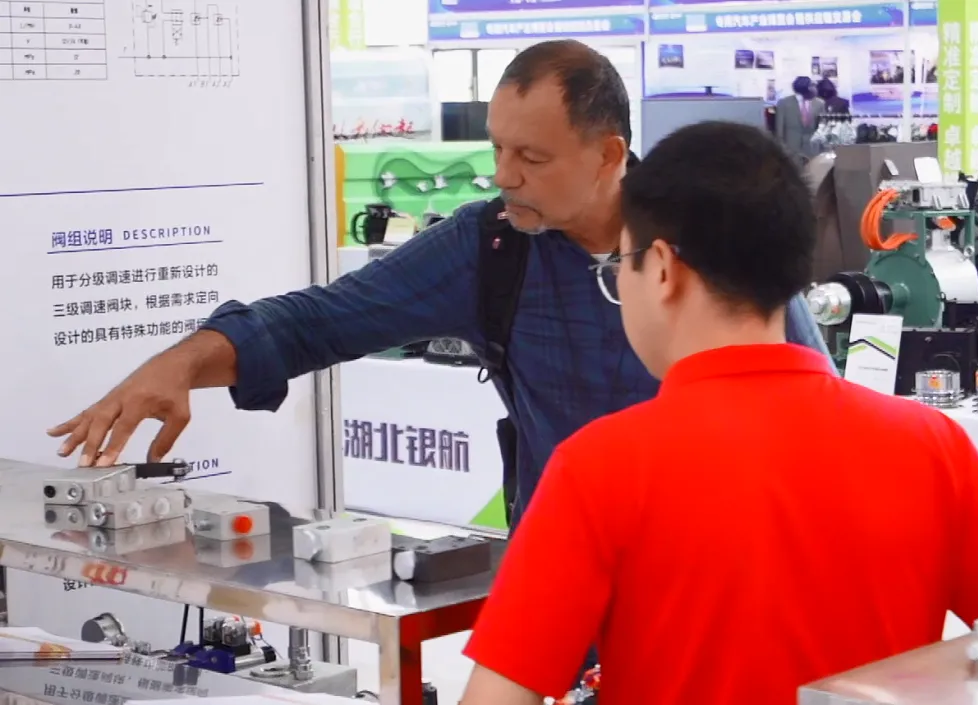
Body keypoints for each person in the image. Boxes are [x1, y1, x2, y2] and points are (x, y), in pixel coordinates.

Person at [47, 40, 828, 533]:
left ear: (608, 155)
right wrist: (184, 361)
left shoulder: (718, 232)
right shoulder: (492, 248)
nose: (504, 175)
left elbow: (814, 411)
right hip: (569, 594)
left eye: (532, 157)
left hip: (723, 586)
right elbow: (319, 320)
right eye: (497, 149)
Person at [457, 121, 978, 705]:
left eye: (621, 265)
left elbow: (500, 693)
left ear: (663, 268)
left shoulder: (598, 469)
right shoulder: (930, 445)